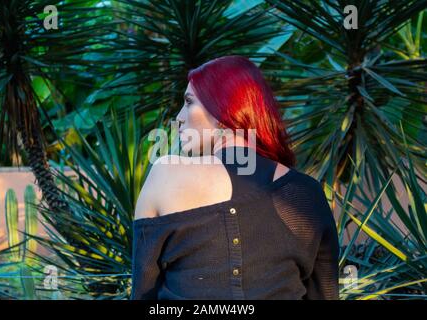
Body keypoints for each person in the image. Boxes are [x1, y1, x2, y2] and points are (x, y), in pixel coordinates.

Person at [132, 55, 339, 300]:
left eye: (188, 102)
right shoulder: (307, 193)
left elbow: (143, 292)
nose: (178, 118)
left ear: (223, 111)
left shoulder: (165, 173)